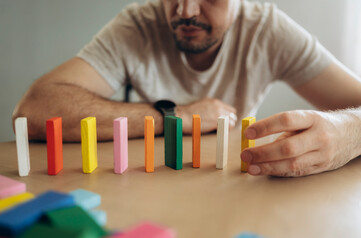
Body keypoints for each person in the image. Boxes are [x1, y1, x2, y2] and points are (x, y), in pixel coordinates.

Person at [12, 0, 361, 177]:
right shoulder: (137, 24)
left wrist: (348, 133)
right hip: (143, 179)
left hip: (232, 178)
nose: (186, 12)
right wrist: (176, 116)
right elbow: (33, 110)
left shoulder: (268, 28)